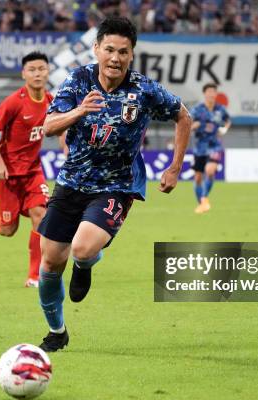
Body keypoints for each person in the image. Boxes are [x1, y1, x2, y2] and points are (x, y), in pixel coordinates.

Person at [36, 17, 192, 352]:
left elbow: (184, 116)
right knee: (49, 263)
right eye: (109, 49)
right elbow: (49, 126)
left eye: (123, 51)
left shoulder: (144, 90)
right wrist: (79, 111)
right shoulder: (78, 81)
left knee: (81, 248)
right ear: (97, 49)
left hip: (117, 185)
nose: (115, 58)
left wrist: (175, 167)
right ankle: (57, 331)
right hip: (72, 181)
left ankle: (85, 263)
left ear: (132, 54)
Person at [0, 52, 60, 288]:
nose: (37, 73)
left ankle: (34, 276)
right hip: (6, 174)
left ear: (48, 71)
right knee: (7, 229)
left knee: (42, 216)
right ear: (24, 74)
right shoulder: (14, 102)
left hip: (32, 172)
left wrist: (68, 151)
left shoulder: (51, 101)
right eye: (32, 69)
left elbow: (62, 130)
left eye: (41, 69)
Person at [190, 83, 231, 215]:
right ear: (205, 93)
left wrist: (224, 129)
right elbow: (187, 123)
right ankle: (202, 203)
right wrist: (193, 126)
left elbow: (228, 120)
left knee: (210, 171)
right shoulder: (197, 109)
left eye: (214, 92)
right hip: (200, 147)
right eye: (209, 91)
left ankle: (203, 198)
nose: (211, 94)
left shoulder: (221, 109)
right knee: (197, 178)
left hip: (214, 145)